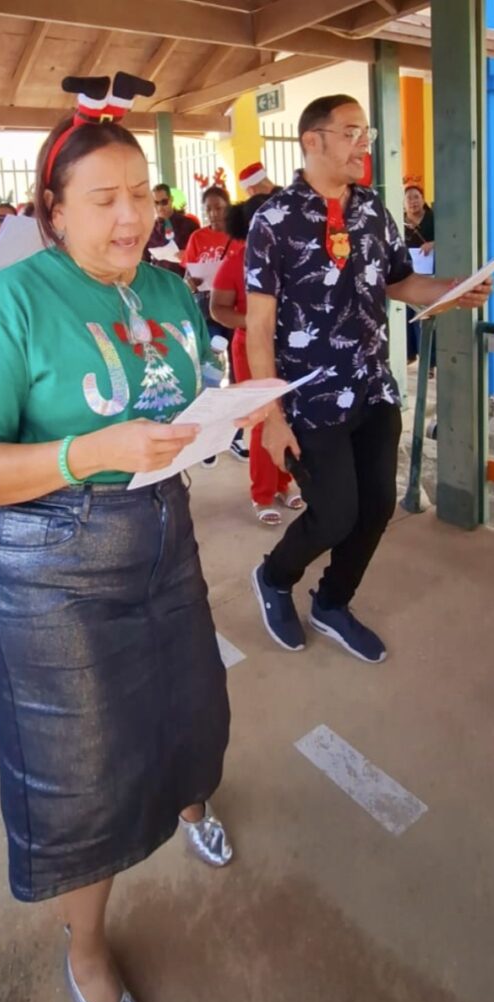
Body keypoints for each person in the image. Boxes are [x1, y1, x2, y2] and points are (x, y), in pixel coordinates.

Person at [0, 71, 267, 1002]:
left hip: (163, 535)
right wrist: (89, 452)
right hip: (51, 568)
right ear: (53, 210)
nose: (132, 218)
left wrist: (225, 417)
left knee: (193, 709)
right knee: (83, 772)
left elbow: (182, 400)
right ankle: (86, 948)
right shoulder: (11, 304)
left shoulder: (167, 288)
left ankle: (188, 802)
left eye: (144, 196)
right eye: (105, 200)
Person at [246, 93, 491, 664]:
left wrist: (453, 290)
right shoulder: (272, 220)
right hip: (310, 399)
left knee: (377, 506)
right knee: (334, 514)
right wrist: (270, 418)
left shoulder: (373, 210)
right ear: (312, 141)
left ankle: (332, 602)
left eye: (367, 133)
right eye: (352, 132)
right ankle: (274, 576)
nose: (364, 145)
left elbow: (399, 282)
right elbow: (257, 328)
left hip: (374, 387)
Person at [211, 195, 303, 524]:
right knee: (264, 418)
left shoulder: (291, 258)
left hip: (287, 349)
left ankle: (283, 482)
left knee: (287, 415)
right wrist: (255, 323)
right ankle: (262, 493)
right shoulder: (235, 262)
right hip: (250, 347)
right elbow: (218, 309)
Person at [183, 185, 248, 466]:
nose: (213, 213)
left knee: (237, 377)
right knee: (210, 373)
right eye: (208, 208)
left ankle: (234, 435)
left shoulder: (239, 237)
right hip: (207, 311)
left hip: (236, 311)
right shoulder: (197, 237)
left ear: (228, 207)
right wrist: (191, 281)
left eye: (218, 207)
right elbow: (189, 273)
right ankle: (206, 438)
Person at [404, 184, 436, 371]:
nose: (413, 201)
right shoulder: (400, 221)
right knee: (407, 316)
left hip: (431, 274)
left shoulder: (433, 219)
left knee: (426, 316)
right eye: (409, 198)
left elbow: (449, 238)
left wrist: (433, 244)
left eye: (416, 197)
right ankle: (409, 354)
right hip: (407, 275)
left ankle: (429, 362)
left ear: (423, 199)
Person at [144, 182, 197, 276]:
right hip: (159, 279)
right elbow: (144, 261)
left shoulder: (189, 224)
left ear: (171, 199)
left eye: (164, 202)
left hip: (184, 278)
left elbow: (201, 253)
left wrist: (188, 254)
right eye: (156, 203)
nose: (160, 207)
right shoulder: (149, 229)